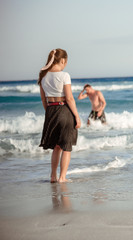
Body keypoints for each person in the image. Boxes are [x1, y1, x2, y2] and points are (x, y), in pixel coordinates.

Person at [38, 48, 81, 183]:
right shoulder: (64, 75)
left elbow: (44, 100)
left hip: (50, 110)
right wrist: (77, 116)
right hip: (64, 110)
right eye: (66, 62)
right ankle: (62, 177)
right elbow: (69, 98)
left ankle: (53, 177)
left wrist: (50, 113)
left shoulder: (43, 75)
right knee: (66, 146)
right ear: (63, 60)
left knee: (56, 147)